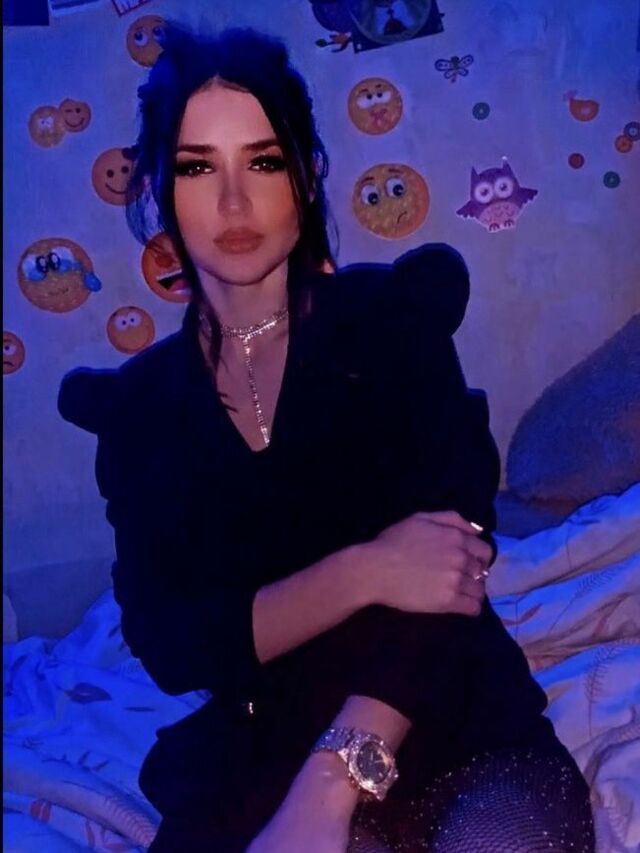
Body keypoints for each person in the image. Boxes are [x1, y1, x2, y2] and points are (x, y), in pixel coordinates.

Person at [58, 22, 595, 853]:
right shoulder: (139, 410)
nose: (233, 203)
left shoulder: (392, 323)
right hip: (260, 752)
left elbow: (450, 571)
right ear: (161, 190)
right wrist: (366, 569)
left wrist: (332, 784)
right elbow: (174, 645)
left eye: (263, 162)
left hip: (452, 715)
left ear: (306, 177)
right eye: (199, 167)